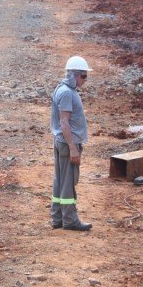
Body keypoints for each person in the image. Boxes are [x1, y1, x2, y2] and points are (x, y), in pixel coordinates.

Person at [50, 56, 93, 231]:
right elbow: (64, 123)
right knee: (68, 181)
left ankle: (57, 218)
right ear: (74, 75)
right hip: (68, 144)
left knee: (60, 180)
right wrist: (73, 148)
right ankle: (69, 220)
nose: (85, 80)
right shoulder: (67, 92)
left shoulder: (62, 89)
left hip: (61, 142)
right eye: (83, 76)